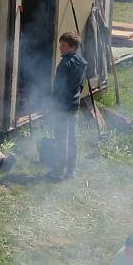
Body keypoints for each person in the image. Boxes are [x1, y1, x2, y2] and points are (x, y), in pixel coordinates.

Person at [49, 31, 88, 181]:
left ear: (73, 47)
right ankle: (71, 170)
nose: (60, 48)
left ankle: (58, 171)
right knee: (72, 137)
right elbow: (80, 85)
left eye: (63, 46)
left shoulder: (65, 64)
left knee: (61, 138)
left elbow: (59, 89)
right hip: (74, 104)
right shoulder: (81, 62)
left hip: (62, 106)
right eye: (60, 45)